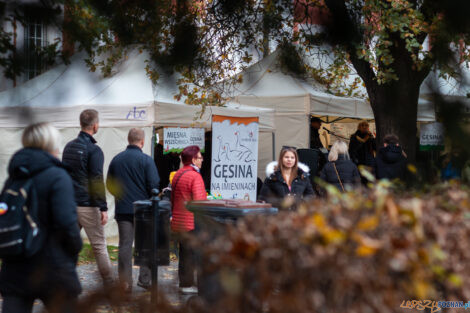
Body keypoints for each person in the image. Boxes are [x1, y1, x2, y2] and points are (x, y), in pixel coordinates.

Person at [0, 123, 82, 313]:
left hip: (16, 262)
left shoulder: (15, 176)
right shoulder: (57, 176)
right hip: (53, 265)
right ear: (53, 145)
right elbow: (67, 223)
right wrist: (74, 250)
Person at [62, 109, 114, 286]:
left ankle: (63, 282)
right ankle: (109, 284)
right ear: (95, 125)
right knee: (99, 246)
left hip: (69, 204)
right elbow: (96, 179)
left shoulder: (68, 147)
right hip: (88, 205)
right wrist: (103, 207)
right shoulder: (94, 150)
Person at [106, 128, 160, 293]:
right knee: (145, 245)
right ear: (142, 142)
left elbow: (109, 184)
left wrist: (121, 195)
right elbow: (154, 185)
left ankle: (124, 283)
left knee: (125, 245)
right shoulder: (146, 160)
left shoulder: (116, 160)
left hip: (123, 210)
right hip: (143, 209)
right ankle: (145, 279)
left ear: (128, 140)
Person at [171, 145, 206, 294]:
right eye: (199, 157)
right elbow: (199, 202)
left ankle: (184, 283)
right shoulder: (195, 176)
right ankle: (192, 284)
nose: (202, 160)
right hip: (191, 220)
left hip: (179, 219)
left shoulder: (178, 173)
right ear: (193, 159)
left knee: (184, 253)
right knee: (194, 253)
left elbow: (173, 198)